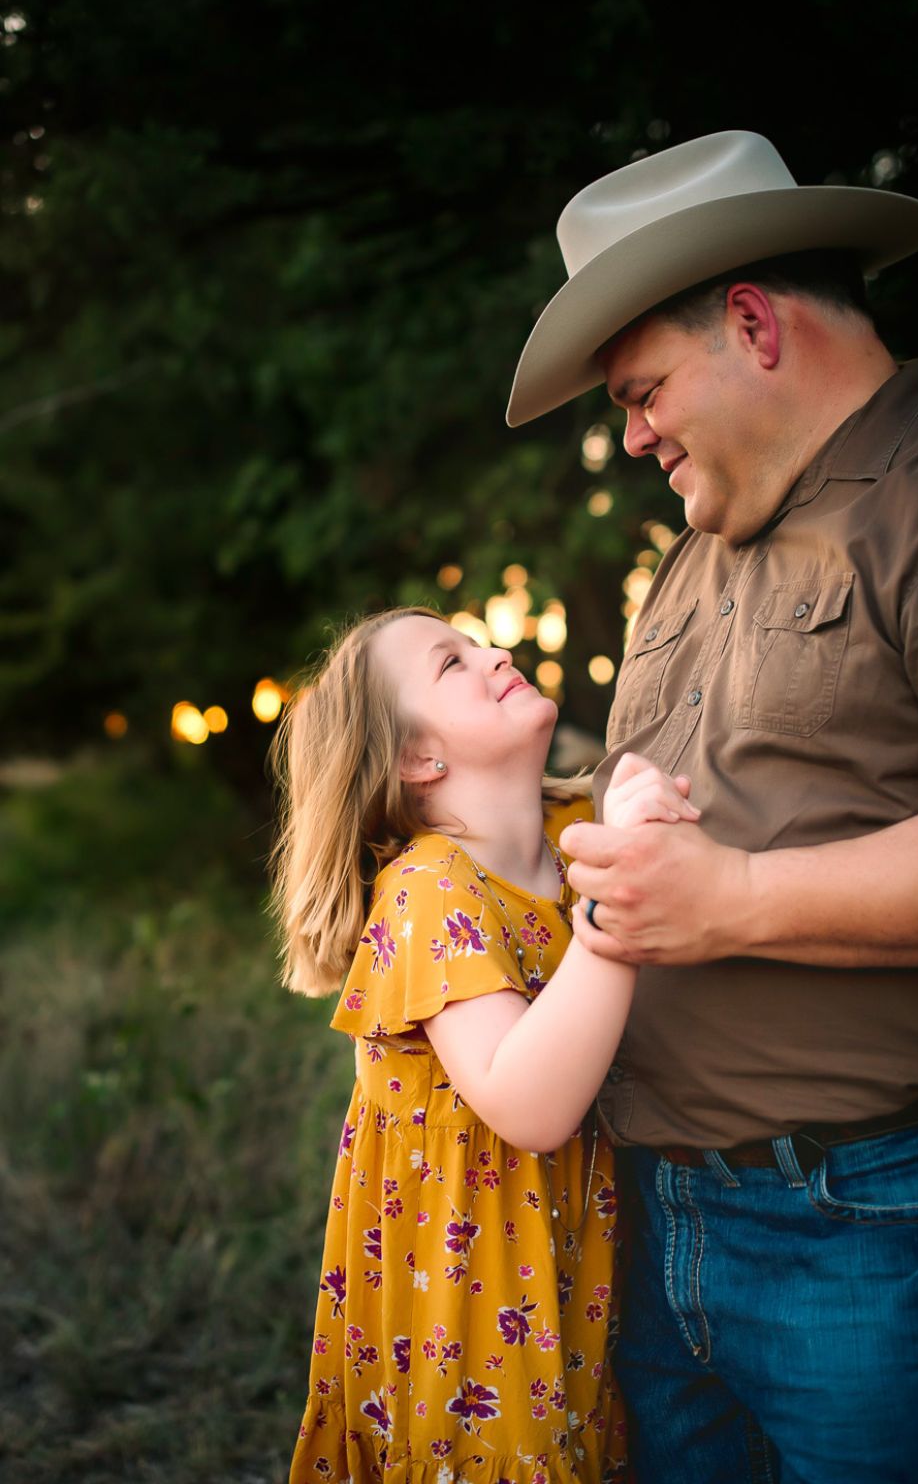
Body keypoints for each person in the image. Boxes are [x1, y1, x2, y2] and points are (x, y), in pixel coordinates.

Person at [502, 129, 918, 1482]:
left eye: (644, 391)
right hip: (657, 1226)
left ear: (755, 324)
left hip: (864, 1229)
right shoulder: (687, 561)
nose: (635, 432)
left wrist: (739, 902)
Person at [272, 605, 697, 1481]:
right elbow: (528, 1101)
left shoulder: (571, 831)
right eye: (451, 664)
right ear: (418, 759)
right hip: (473, 1296)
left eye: (478, 644)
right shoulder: (430, 888)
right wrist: (625, 885)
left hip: (576, 1269)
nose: (494, 652)